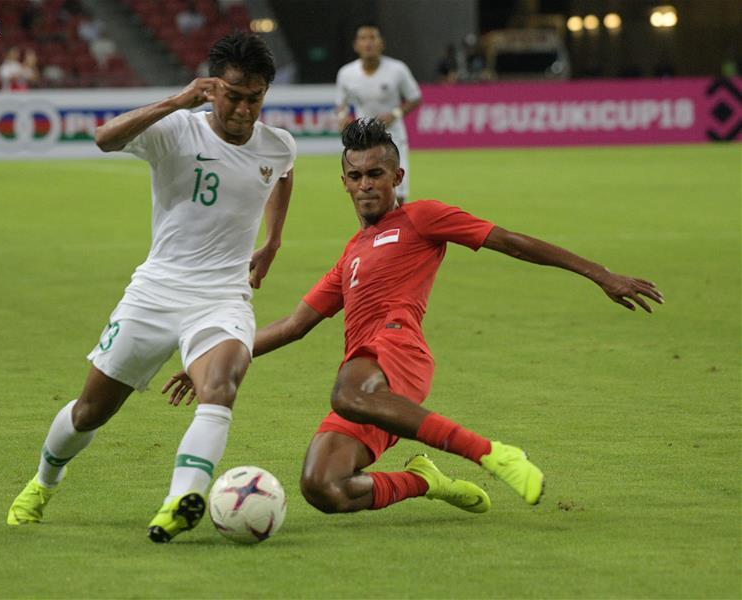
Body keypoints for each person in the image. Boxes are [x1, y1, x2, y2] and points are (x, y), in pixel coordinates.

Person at [165, 119, 663, 516]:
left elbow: (509, 241)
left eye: (375, 174)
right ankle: (425, 480)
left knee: (345, 392)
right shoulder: (350, 255)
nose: (365, 185)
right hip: (370, 383)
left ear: (396, 177)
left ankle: (492, 454)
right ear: (344, 182)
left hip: (396, 352)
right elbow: (293, 325)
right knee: (323, 488)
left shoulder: (421, 218)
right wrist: (212, 361)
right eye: (356, 176)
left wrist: (599, 273)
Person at [6, 32, 296, 544]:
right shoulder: (177, 130)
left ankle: (178, 501)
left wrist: (272, 241)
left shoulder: (277, 144)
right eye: (233, 96)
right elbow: (104, 138)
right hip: (157, 291)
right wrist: (175, 101)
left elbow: (283, 176)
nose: (244, 110)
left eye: (255, 99)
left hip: (223, 296)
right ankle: (44, 482)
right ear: (212, 88)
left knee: (221, 387)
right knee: (90, 411)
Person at [335, 24, 421, 203]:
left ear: (381, 43)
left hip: (393, 136)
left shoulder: (397, 70)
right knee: (364, 189)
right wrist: (342, 117)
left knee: (398, 189)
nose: (368, 43)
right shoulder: (346, 73)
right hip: (363, 139)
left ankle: (398, 229)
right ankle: (373, 230)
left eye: (373, 38)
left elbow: (415, 98)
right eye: (363, 39)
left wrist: (395, 113)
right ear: (356, 45)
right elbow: (341, 104)